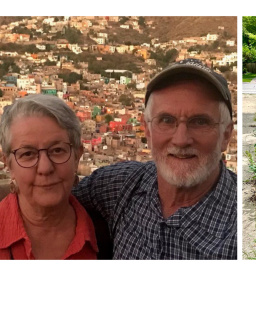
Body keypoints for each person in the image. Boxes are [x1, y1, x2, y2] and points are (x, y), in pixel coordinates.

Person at [72, 59, 237, 259]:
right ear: (148, 131)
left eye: (200, 122)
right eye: (166, 121)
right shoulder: (121, 186)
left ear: (226, 135)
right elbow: (52, 200)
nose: (181, 140)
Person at [0, 94, 111, 260]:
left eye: (57, 150)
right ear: (8, 164)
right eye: (28, 154)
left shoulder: (108, 236)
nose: (45, 168)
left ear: (77, 156)